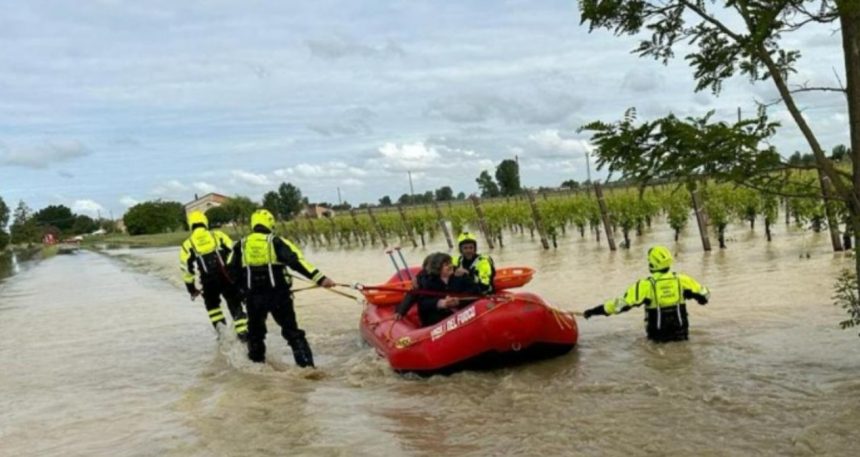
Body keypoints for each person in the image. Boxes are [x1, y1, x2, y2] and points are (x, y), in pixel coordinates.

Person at [227, 209, 336, 367]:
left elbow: (230, 270)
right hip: (279, 296)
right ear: (270, 223)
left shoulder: (241, 245)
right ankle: (307, 369)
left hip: (254, 298)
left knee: (255, 335)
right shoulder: (276, 241)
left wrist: (242, 290)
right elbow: (297, 262)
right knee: (292, 332)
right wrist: (321, 279)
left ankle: (257, 368)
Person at [583, 246, 710, 342]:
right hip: (682, 335)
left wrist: (593, 311)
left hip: (657, 338)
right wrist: (694, 296)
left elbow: (619, 306)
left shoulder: (645, 285)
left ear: (651, 263)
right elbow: (705, 296)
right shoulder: (682, 280)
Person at [179, 210, 248, 340]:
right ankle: (244, 334)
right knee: (235, 304)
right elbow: (235, 253)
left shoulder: (188, 244)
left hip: (208, 282)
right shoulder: (218, 235)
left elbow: (186, 270)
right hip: (227, 277)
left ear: (191, 225)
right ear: (205, 222)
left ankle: (223, 336)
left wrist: (191, 289)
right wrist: (240, 276)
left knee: (213, 308)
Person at [413, 252, 482, 327]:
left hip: (462, 315)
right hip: (439, 321)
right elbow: (423, 303)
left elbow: (475, 290)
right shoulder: (428, 281)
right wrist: (442, 303)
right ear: (437, 268)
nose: (450, 266)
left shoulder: (460, 275)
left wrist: (459, 300)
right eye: (446, 265)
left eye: (450, 263)